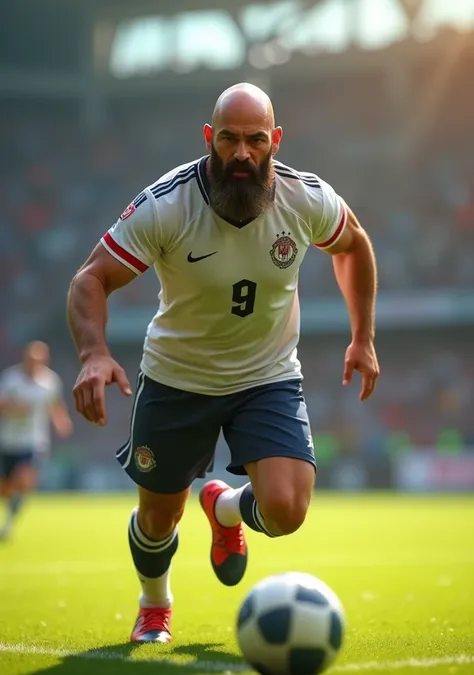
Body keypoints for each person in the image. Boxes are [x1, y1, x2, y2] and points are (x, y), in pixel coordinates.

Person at [67, 83, 379, 643]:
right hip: (177, 379)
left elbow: (354, 244)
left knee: (286, 510)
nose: (242, 153)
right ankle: (155, 605)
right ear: (210, 138)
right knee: (159, 519)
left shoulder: (305, 199)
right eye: (230, 139)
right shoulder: (167, 204)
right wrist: (93, 354)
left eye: (255, 140)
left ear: (275, 142)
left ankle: (227, 508)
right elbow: (90, 278)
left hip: (268, 376)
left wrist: (364, 337)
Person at [0, 341, 73, 539]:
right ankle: (9, 508)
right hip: (8, 441)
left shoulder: (50, 381)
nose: (35, 363)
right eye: (32, 359)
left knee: (25, 479)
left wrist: (61, 421)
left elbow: (55, 403)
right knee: (6, 488)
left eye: (39, 360)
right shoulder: (10, 379)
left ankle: (8, 525)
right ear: (25, 358)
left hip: (34, 441)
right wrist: (16, 409)